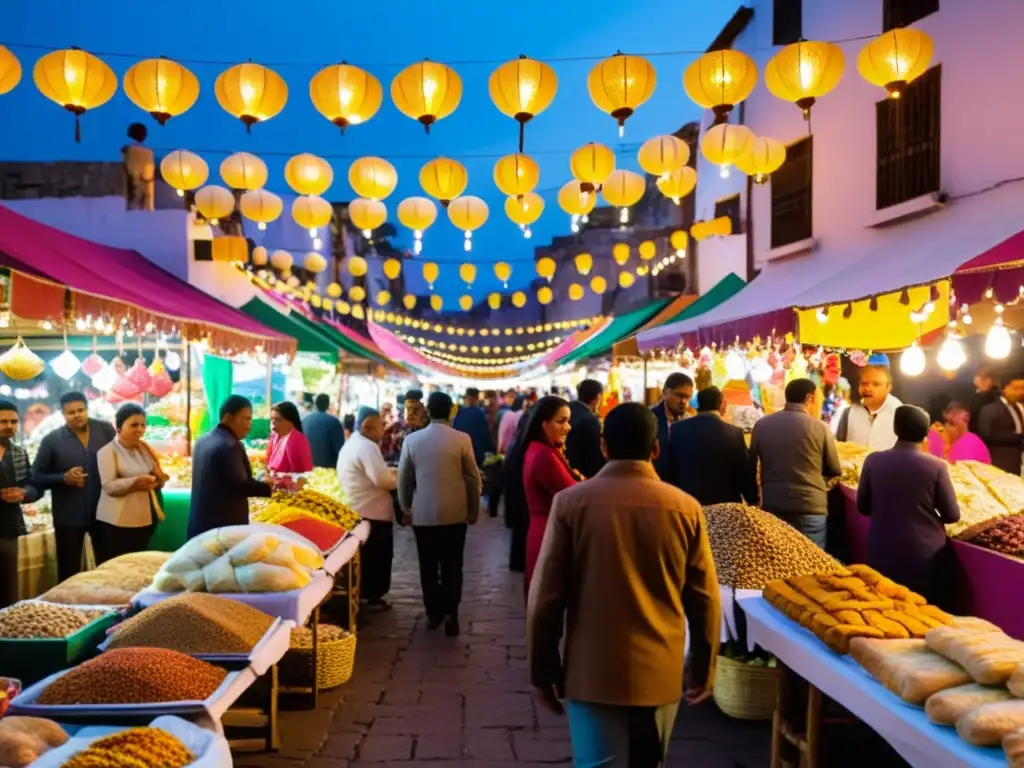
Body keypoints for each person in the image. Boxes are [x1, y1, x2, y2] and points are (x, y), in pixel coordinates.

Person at [527, 403, 721, 767]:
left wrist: (543, 670)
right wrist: (703, 669)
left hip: (591, 671)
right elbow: (704, 598)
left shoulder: (570, 503)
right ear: (656, 449)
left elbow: (546, 599)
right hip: (660, 671)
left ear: (604, 446)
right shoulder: (686, 508)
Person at [398, 392, 482, 637]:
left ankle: (433, 613)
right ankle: (451, 613)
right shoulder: (461, 439)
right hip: (455, 513)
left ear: (428, 411)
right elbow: (472, 477)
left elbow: (404, 479)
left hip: (423, 514)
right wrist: (473, 509)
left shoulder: (412, 441)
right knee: (453, 565)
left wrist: (406, 507)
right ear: (450, 411)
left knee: (428, 566)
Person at [858, 405, 960, 603]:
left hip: (882, 549)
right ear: (925, 432)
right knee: (920, 614)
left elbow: (863, 506)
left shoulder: (873, 461)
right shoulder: (936, 466)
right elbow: (952, 515)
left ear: (896, 429)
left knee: (885, 611)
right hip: (925, 555)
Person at [31, 391, 116, 581]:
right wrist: (63, 478)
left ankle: (109, 607)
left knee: (109, 566)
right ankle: (69, 609)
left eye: (81, 410)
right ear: (63, 414)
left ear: (87, 409)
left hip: (103, 512)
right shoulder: (52, 440)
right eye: (71, 412)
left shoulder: (105, 431)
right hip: (68, 515)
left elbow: (120, 458)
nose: (77, 415)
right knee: (68, 569)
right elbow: (36, 476)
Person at [749, 379, 841, 548]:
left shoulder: (761, 425)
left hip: (773, 506)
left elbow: (749, 466)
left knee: (780, 564)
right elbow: (834, 469)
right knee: (813, 566)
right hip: (810, 508)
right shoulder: (820, 428)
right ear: (810, 398)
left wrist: (754, 499)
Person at [512, 396, 578, 596]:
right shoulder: (545, 456)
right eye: (561, 421)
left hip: (542, 529)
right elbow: (573, 495)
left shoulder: (539, 449)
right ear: (543, 424)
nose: (568, 427)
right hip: (549, 534)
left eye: (568, 421)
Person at [188, 395, 276, 539]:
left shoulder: (203, 440)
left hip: (201, 526)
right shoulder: (229, 445)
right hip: (222, 531)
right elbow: (239, 484)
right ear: (228, 417)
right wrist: (267, 486)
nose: (250, 424)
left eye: (250, 419)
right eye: (245, 419)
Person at [337, 407, 398, 609]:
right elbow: (382, 480)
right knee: (375, 559)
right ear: (368, 427)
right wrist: (398, 479)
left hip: (359, 509)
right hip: (372, 512)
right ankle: (371, 597)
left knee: (367, 558)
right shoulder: (367, 447)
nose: (383, 429)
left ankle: (366, 596)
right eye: (380, 425)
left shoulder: (353, 444)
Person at [95, 404, 168, 563]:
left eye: (143, 425)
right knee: (118, 565)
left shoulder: (144, 449)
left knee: (138, 563)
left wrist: (160, 479)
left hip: (145, 518)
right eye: (134, 425)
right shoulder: (107, 451)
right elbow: (108, 486)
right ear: (119, 427)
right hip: (118, 522)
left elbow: (156, 478)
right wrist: (135, 482)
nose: (140, 429)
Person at [668, 386, 757, 506]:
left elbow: (670, 469)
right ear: (722, 405)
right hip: (724, 507)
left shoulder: (677, 429)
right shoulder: (734, 434)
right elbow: (744, 473)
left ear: (698, 404)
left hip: (686, 504)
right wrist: (753, 500)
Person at [0, 401, 39, 608]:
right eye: (3, 421)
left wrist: (23, 493)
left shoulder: (18, 453)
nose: (9, 426)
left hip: (8, 529)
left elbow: (33, 487)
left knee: (8, 589)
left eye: (13, 421)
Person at [835, 365, 902, 450]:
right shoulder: (848, 413)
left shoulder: (900, 413)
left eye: (876, 384)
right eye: (864, 383)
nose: (868, 389)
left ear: (888, 387)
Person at [651, 373, 694, 481]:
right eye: (679, 395)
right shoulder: (649, 419)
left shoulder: (691, 421)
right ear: (665, 393)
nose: (683, 402)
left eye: (687, 397)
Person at [978, 374, 1024, 475]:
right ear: (1007, 388)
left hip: (1017, 461)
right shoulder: (990, 409)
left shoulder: (1019, 407)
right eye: (1018, 389)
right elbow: (986, 435)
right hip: (1000, 461)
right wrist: (1018, 437)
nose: (1021, 393)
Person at [928, 401, 992, 465]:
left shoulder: (970, 442)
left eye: (951, 424)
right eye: (947, 423)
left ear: (966, 417)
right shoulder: (936, 434)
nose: (948, 427)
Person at [565, 380, 605, 479]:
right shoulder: (590, 420)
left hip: (567, 468)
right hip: (583, 474)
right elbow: (595, 454)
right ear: (598, 396)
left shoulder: (568, 409)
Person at [451, 387, 495, 466]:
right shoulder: (480, 414)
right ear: (477, 398)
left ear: (467, 398)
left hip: (460, 454)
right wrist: (492, 450)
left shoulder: (460, 413)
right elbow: (486, 436)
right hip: (476, 456)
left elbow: (454, 432)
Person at [267, 401, 313, 474]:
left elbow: (300, 473)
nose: (273, 423)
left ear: (291, 423)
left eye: (278, 420)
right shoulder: (275, 437)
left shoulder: (297, 440)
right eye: (271, 419)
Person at [302, 394, 345, 469]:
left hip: (304, 467)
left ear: (316, 404)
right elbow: (340, 450)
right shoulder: (334, 422)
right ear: (328, 405)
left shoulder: (304, 420)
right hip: (326, 471)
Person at [971, 367, 1001, 431]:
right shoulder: (976, 395)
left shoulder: (996, 395)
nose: (974, 380)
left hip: (990, 433)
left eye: (977, 376)